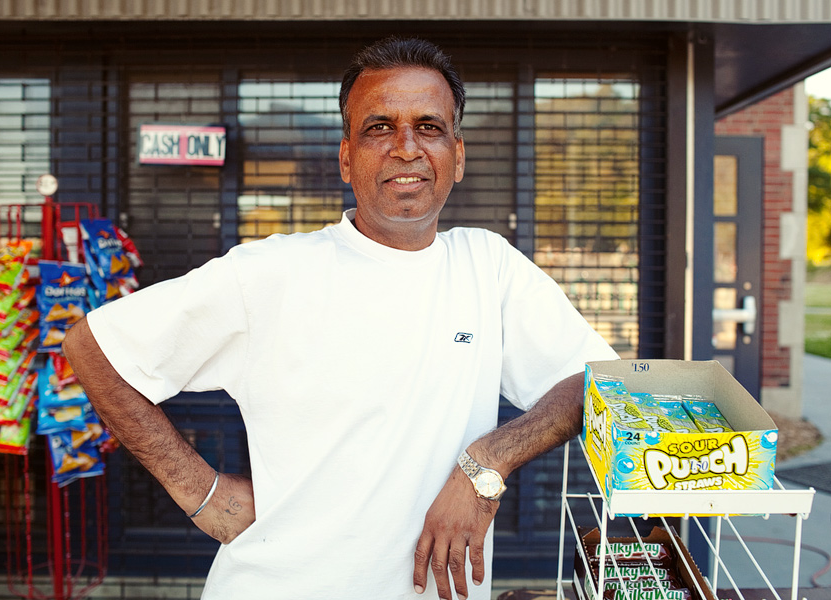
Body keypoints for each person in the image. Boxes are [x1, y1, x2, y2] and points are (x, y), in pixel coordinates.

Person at [63, 36, 618, 600]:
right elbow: (94, 348)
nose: (406, 148)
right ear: (347, 157)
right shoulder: (271, 272)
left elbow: (599, 383)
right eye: (380, 127)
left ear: (458, 154)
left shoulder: (489, 267)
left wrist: (487, 463)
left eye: (429, 127)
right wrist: (203, 494)